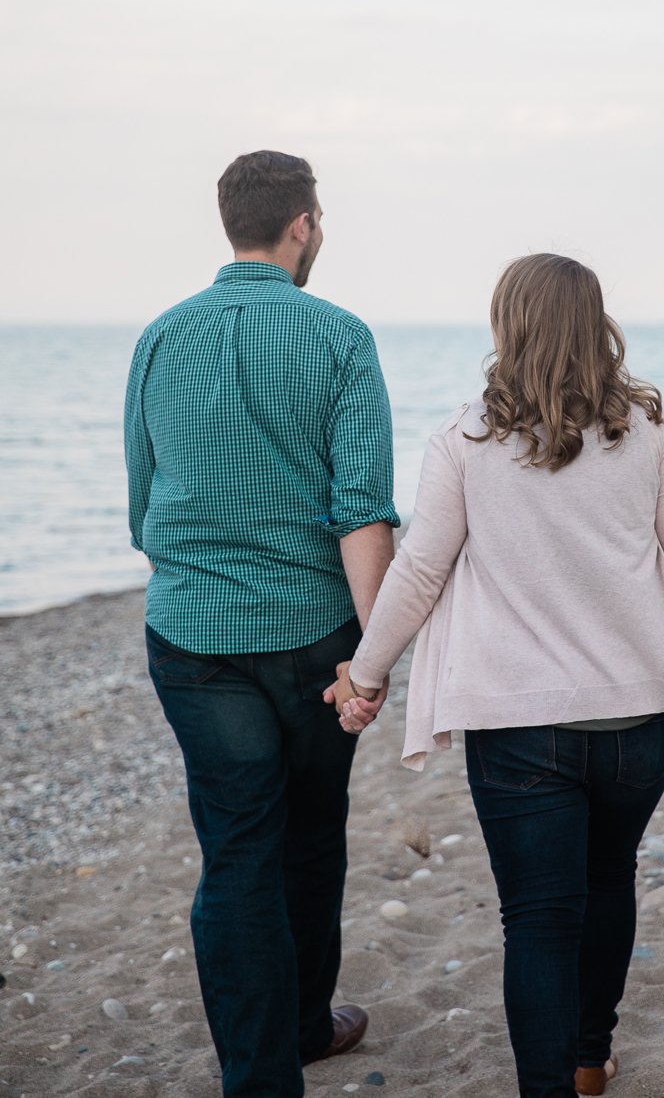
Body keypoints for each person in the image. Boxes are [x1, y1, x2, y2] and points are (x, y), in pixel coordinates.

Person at [328, 252, 664, 1098]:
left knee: (538, 921)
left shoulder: (464, 440)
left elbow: (418, 571)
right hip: (641, 722)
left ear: (506, 328)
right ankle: (591, 1058)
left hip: (518, 727)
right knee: (609, 881)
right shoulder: (648, 435)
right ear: (596, 327)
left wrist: (366, 677)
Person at [124, 150, 399, 1098]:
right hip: (316, 635)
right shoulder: (341, 338)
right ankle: (302, 1026)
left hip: (194, 640)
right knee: (314, 834)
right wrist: (377, 651)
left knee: (237, 846)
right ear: (304, 225)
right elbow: (362, 507)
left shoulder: (160, 338)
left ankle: (262, 1072)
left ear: (231, 222)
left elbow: (138, 505)